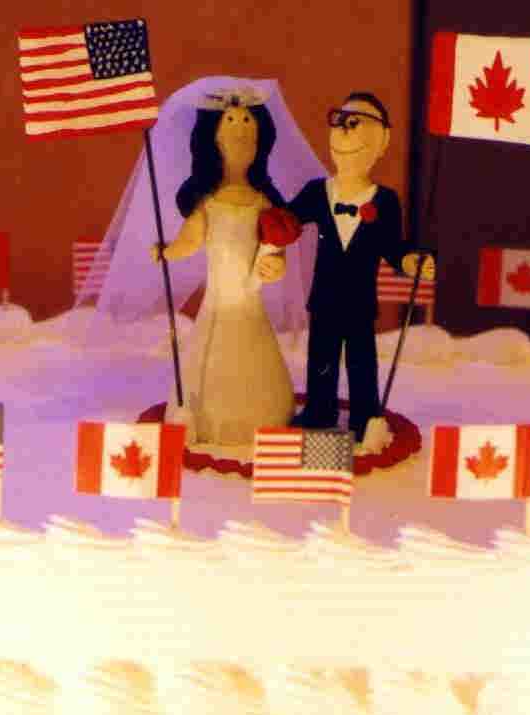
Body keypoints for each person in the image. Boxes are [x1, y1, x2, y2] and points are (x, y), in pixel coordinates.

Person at [257, 92, 433, 443]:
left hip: (359, 301)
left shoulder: (385, 201)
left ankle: (365, 414)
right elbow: (286, 224)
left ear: (382, 141)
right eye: (341, 122)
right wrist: (272, 251)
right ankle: (319, 410)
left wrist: (411, 261)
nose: (346, 131)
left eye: (357, 123)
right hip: (323, 298)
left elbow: (392, 247)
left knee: (361, 362)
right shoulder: (316, 192)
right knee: (320, 357)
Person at [150, 88, 298, 446]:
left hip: (250, 303)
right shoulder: (208, 202)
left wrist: (275, 265)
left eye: (248, 123)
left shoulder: (264, 201)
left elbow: (275, 248)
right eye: (230, 122)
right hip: (217, 305)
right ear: (212, 138)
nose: (240, 130)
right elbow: (191, 241)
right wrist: (168, 252)